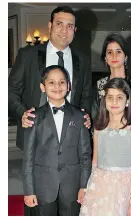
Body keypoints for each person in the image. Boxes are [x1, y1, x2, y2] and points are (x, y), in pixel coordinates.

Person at [8, 6, 92, 151]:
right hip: (34, 132)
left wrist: (85, 116)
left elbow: (86, 95)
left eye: (70, 26)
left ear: (75, 31)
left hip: (70, 136)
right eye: (59, 24)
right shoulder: (28, 55)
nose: (64, 30)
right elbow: (10, 91)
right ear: (50, 25)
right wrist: (23, 113)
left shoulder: (83, 60)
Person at [22, 65, 92, 216]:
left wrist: (84, 186)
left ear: (69, 85)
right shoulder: (33, 117)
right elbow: (28, 157)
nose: (57, 86)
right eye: (51, 83)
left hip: (72, 186)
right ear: (43, 87)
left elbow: (85, 155)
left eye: (62, 82)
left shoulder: (80, 116)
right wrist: (29, 190)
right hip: (43, 185)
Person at [80, 78, 131, 215]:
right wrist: (88, 187)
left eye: (119, 97)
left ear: (127, 101)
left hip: (126, 189)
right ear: (104, 100)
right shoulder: (98, 128)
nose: (114, 102)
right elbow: (95, 162)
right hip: (100, 188)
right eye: (110, 97)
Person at [91, 33, 131, 191]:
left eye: (119, 51)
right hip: (106, 152)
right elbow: (95, 119)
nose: (114, 56)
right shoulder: (99, 85)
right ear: (105, 58)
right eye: (109, 52)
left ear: (126, 57)